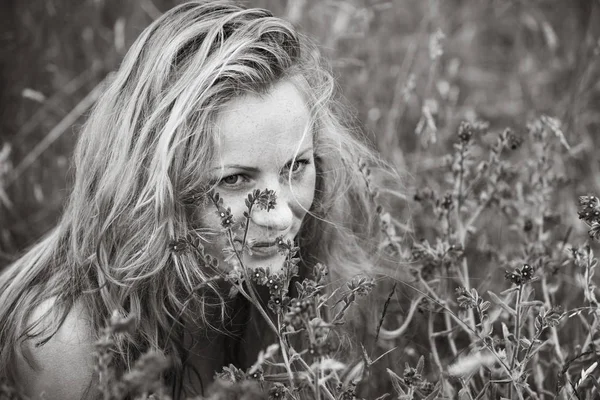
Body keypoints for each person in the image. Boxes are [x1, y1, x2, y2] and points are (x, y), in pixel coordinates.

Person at [0, 1, 395, 398]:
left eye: (296, 168)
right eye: (235, 179)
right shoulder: (67, 341)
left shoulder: (301, 289)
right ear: (152, 188)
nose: (277, 218)